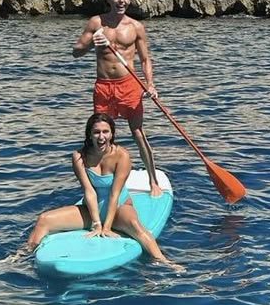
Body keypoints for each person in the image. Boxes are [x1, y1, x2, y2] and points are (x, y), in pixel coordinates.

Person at [21, 113, 182, 270]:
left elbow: (114, 194)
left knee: (135, 226)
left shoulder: (122, 156)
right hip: (91, 209)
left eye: (105, 132)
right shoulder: (79, 156)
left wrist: (107, 227)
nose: (101, 137)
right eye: (96, 132)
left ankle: (164, 261)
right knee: (44, 219)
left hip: (119, 207)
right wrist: (97, 223)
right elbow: (88, 191)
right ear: (89, 135)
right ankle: (22, 255)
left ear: (112, 134)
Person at [72, 0, 163, 197]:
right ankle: (99, 183)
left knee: (138, 134)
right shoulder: (96, 23)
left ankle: (153, 181)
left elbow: (145, 59)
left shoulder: (136, 27)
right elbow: (76, 52)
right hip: (103, 87)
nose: (121, 0)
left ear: (129, 0)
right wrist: (92, 44)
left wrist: (150, 84)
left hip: (129, 85)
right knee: (100, 136)